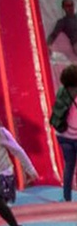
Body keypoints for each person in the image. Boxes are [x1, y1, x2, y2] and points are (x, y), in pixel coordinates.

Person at [50, 63, 77, 201]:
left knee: (69, 166)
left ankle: (67, 197)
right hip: (75, 135)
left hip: (63, 135)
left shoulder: (62, 91)